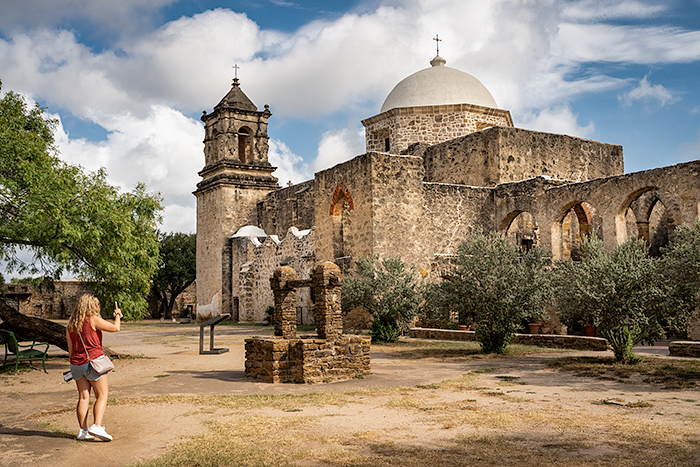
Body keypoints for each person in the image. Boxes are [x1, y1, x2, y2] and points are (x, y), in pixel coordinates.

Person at [66, 295, 122, 441]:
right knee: (102, 395)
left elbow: (71, 350)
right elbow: (116, 328)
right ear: (93, 307)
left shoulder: (71, 325)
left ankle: (83, 431)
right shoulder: (92, 319)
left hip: (76, 364)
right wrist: (117, 315)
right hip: (94, 361)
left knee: (83, 397)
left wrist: (77, 362)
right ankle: (97, 425)